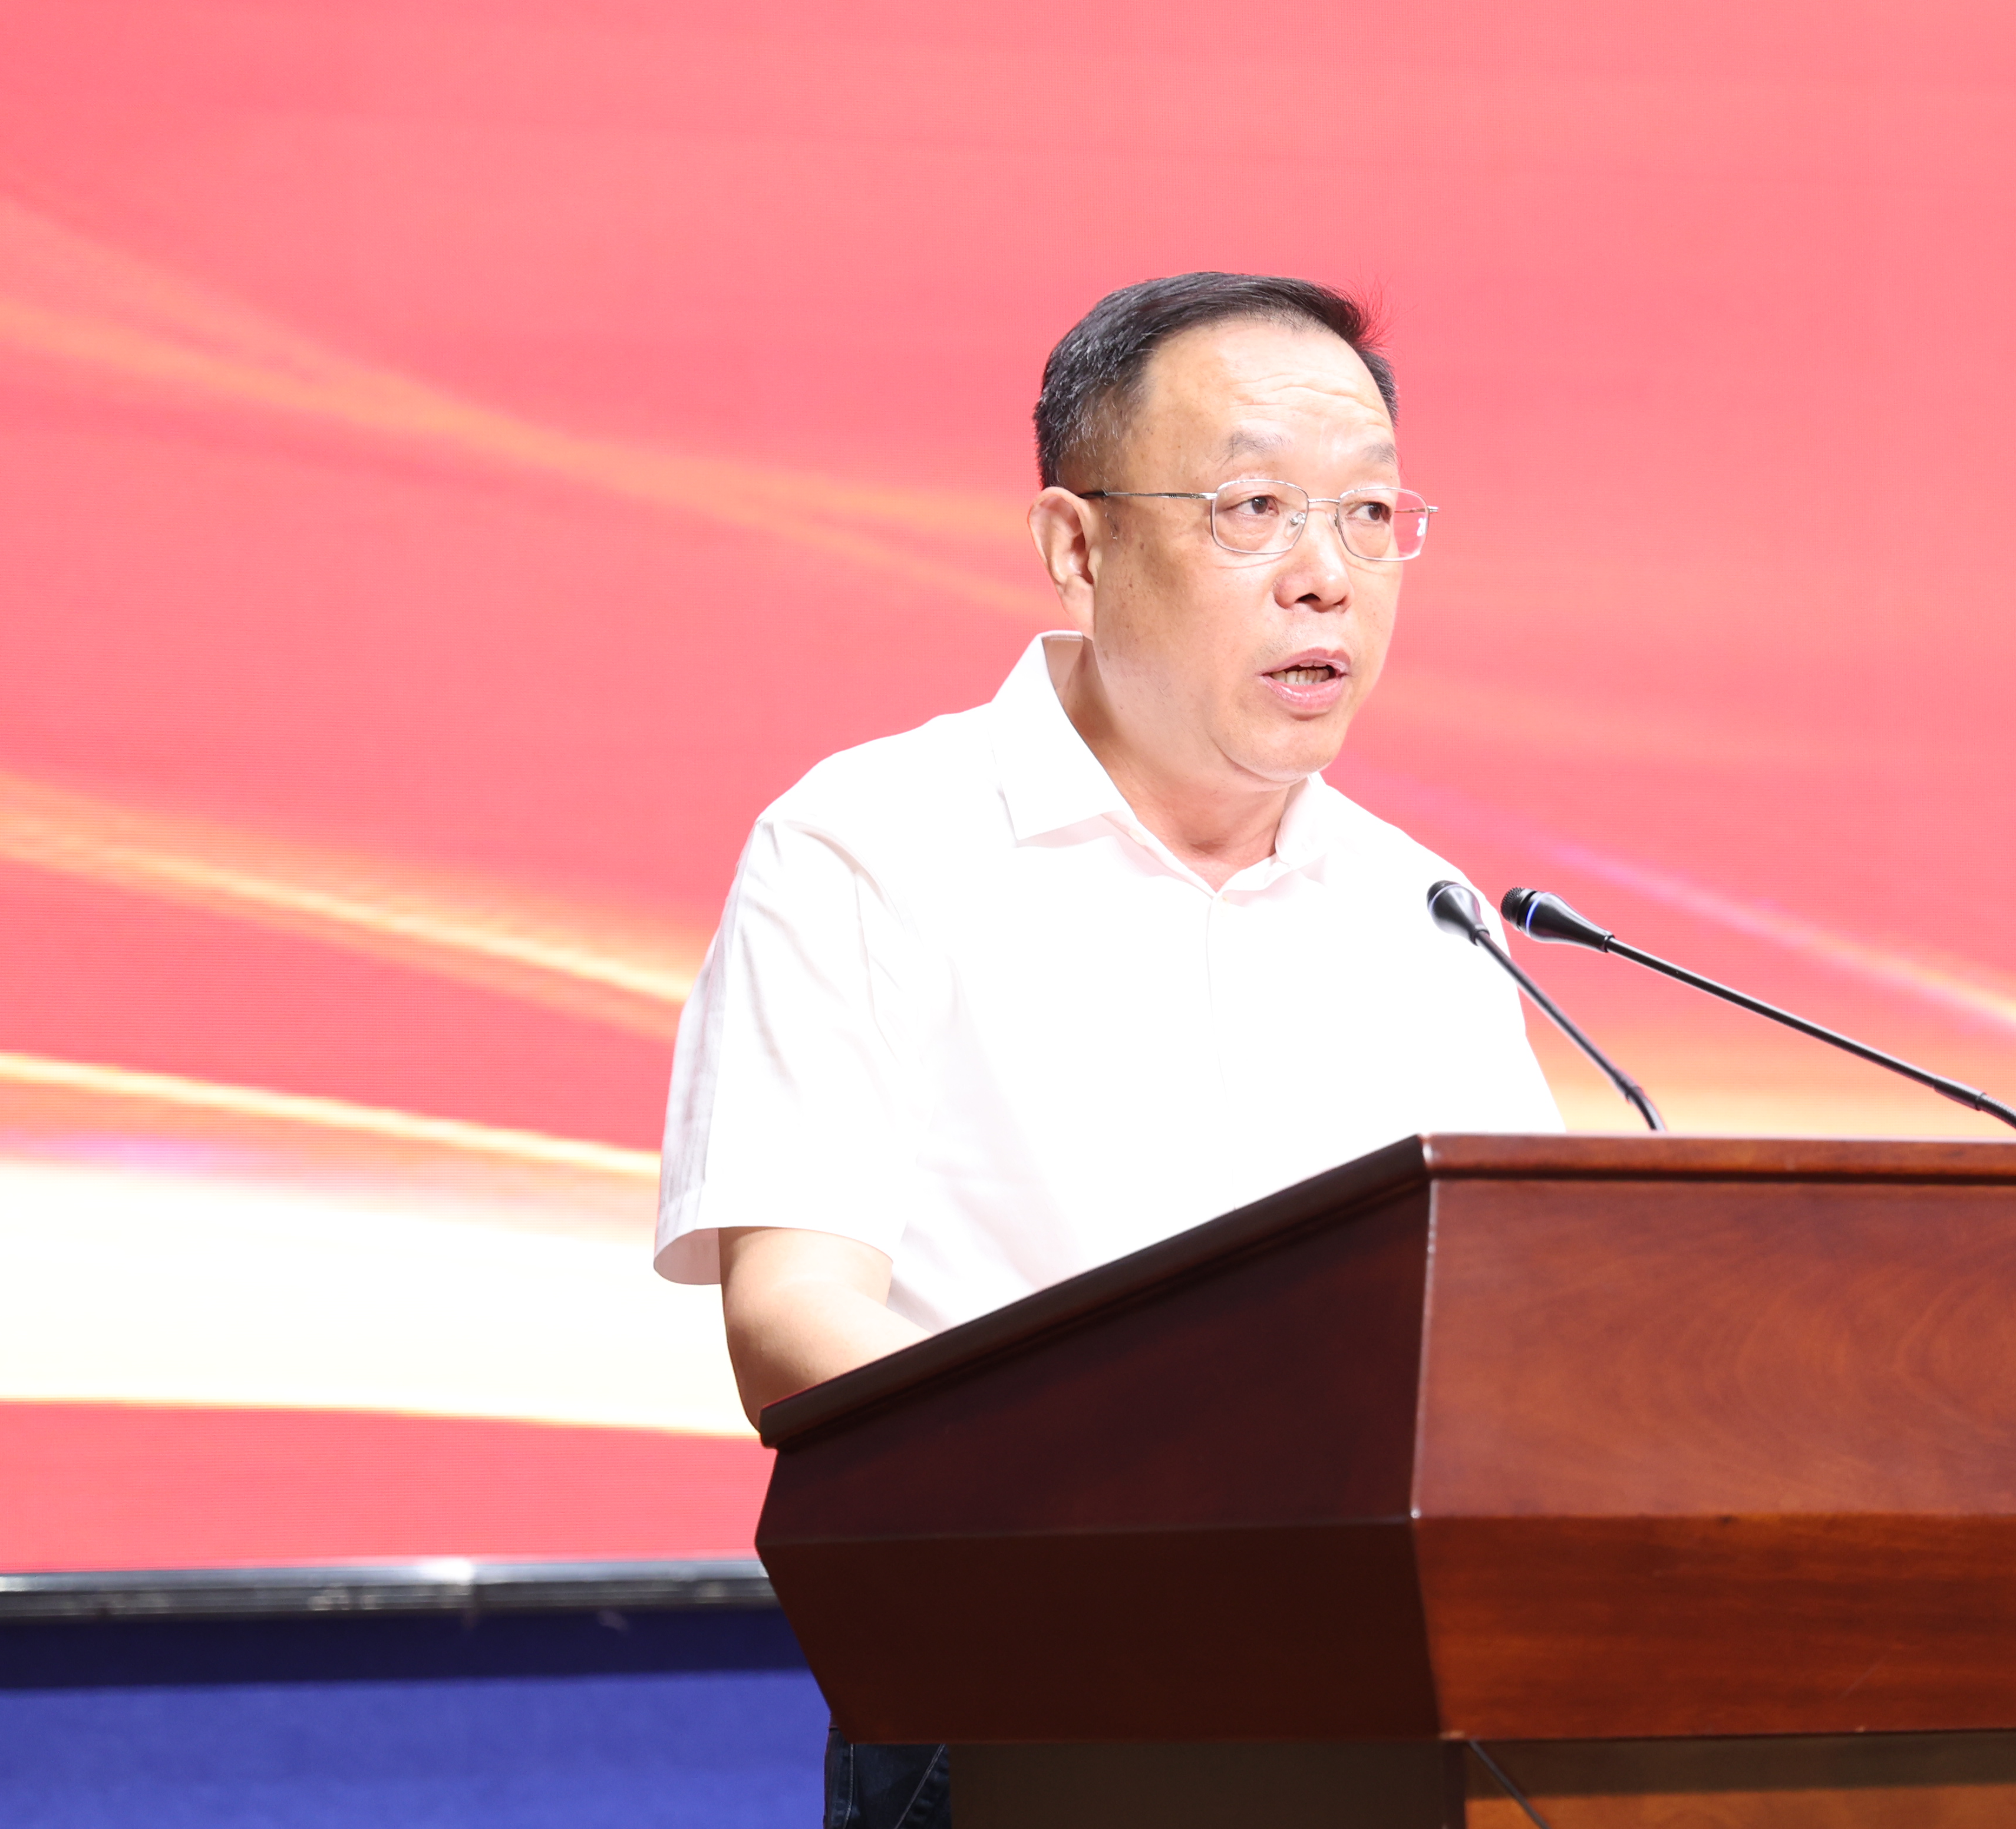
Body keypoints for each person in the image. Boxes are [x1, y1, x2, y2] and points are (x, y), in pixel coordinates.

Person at [652, 273, 1563, 1829]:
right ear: (1078, 546)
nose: (1325, 578)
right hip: (1017, 1693)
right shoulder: (869, 845)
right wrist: (1153, 1499)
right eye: (1254, 509)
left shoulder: (1424, 912)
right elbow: (794, 1319)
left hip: (1376, 1706)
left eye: (1368, 516)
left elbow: (1529, 1329)